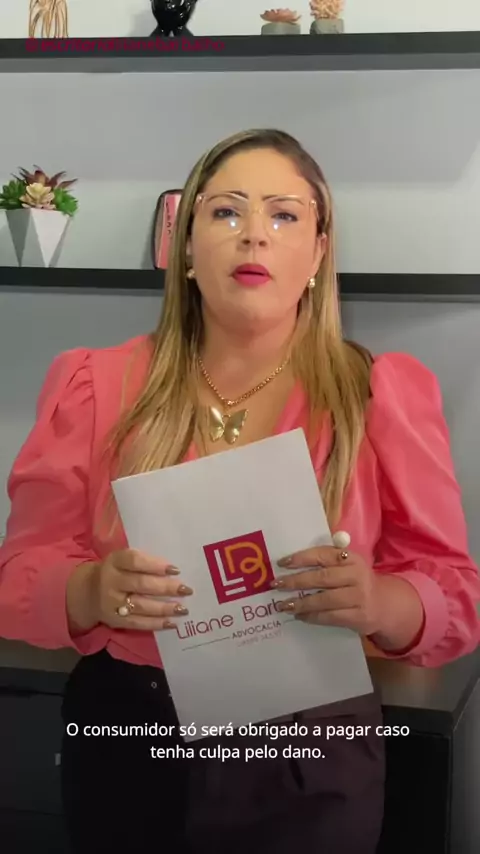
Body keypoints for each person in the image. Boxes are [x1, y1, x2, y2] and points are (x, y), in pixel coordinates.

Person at [0, 128, 479, 854]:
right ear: (185, 247)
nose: (254, 233)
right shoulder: (93, 383)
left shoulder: (380, 392)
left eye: (284, 215)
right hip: (128, 742)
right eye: (226, 211)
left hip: (310, 752)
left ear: (318, 254)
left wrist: (382, 602)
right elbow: (18, 575)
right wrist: (89, 590)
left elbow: (456, 595)